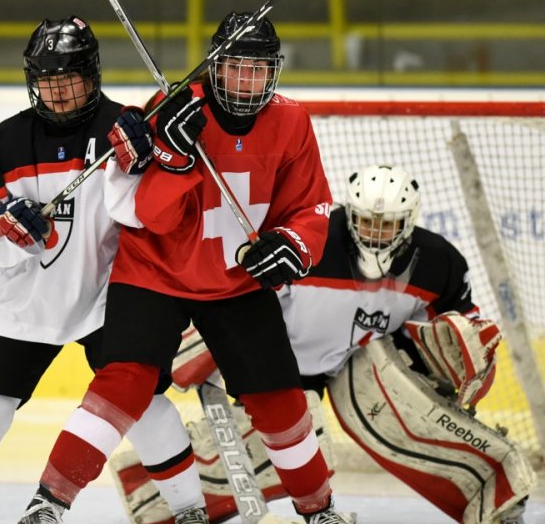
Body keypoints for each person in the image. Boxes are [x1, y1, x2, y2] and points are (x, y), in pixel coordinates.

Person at [16, 10, 350, 524]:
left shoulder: (291, 121)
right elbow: (145, 213)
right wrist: (170, 156)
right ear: (214, 67)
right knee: (123, 380)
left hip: (236, 282)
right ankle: (48, 502)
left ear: (274, 72)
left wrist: (293, 244)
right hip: (153, 270)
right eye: (237, 67)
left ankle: (319, 509)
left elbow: (309, 207)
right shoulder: (169, 108)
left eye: (259, 70)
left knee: (281, 400)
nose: (247, 81)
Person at [0, 16, 207, 524]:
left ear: (92, 75)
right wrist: (6, 229)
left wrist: (145, 160)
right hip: (27, 300)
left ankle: (190, 510)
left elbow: (143, 213)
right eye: (47, 80)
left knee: (144, 404)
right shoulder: (6, 140)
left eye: (68, 78)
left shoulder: (125, 128)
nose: (58, 91)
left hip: (112, 297)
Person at [124, 165, 535, 524]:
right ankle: (150, 496)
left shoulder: (438, 262)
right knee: (296, 444)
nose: (376, 234)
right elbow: (234, 295)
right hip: (275, 359)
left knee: (415, 414)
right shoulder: (312, 241)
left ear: (409, 221)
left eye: (388, 224)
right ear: (349, 215)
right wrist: (197, 344)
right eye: (367, 222)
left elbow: (459, 320)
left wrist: (462, 351)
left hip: (353, 359)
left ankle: (494, 498)